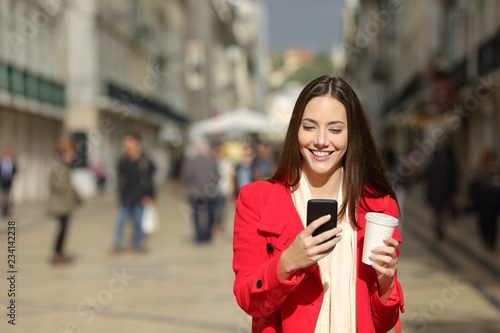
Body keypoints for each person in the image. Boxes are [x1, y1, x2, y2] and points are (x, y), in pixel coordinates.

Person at [232, 76, 404, 332]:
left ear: (351, 135)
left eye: (335, 129)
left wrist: (386, 282)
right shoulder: (256, 199)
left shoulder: (380, 206)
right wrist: (287, 262)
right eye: (310, 127)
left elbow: (383, 324)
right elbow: (249, 299)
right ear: (295, 130)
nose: (321, 140)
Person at [112, 133, 155, 253]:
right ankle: (116, 245)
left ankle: (138, 244)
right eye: (125, 142)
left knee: (138, 221)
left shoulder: (145, 161)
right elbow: (120, 177)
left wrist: (149, 196)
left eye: (129, 142)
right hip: (126, 196)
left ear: (137, 144)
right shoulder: (123, 160)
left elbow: (150, 180)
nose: (126, 145)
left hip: (140, 196)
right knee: (121, 221)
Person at [48, 138, 81, 264]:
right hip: (59, 203)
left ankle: (60, 252)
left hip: (66, 203)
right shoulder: (57, 165)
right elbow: (54, 183)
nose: (73, 154)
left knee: (64, 228)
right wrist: (70, 191)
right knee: (61, 229)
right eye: (71, 151)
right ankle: (56, 253)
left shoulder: (65, 164)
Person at [182, 140, 220, 242]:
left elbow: (186, 176)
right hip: (210, 192)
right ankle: (208, 235)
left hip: (195, 193)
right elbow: (217, 176)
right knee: (210, 214)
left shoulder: (191, 161)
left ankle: (199, 236)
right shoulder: (212, 161)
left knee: (196, 215)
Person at [468, 148, 500, 252]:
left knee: (492, 222)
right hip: (481, 200)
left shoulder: (495, 169)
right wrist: (471, 197)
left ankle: (491, 242)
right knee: (483, 221)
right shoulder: (478, 169)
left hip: (493, 200)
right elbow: (472, 184)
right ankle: (485, 239)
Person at [422, 144, 457, 240]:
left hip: (434, 194)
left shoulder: (431, 166)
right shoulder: (446, 165)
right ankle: (440, 227)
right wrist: (452, 192)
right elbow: (452, 180)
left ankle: (438, 227)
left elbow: (422, 176)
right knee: (441, 212)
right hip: (444, 194)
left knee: (437, 212)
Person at [0, 148, 17, 217]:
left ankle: (7, 210)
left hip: (9, 182)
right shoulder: (1, 163)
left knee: (8, 197)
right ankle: (4, 210)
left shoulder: (12, 163)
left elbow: (15, 170)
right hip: (3, 182)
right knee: (3, 197)